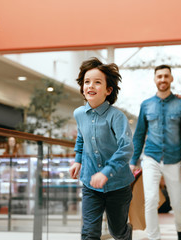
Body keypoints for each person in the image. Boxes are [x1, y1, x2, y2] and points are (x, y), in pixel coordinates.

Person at [69, 57, 134, 240]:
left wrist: (107, 172)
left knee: (117, 231)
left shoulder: (117, 117)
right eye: (87, 82)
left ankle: (126, 233)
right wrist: (78, 160)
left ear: (108, 90)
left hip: (118, 186)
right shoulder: (79, 114)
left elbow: (126, 148)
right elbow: (81, 137)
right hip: (90, 184)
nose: (90, 86)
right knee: (89, 232)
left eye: (97, 82)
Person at [130, 64, 181, 240]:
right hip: (151, 157)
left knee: (178, 203)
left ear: (171, 79)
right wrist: (133, 161)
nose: (163, 79)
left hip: (174, 159)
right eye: (159, 76)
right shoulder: (146, 105)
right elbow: (139, 135)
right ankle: (154, 238)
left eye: (166, 76)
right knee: (150, 200)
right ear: (155, 79)